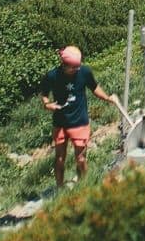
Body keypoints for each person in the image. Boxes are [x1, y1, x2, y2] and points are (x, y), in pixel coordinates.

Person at [40, 45, 116, 190]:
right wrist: (47, 104)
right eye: (73, 67)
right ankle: (60, 188)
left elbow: (94, 87)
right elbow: (44, 94)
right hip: (60, 123)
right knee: (60, 159)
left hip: (79, 122)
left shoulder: (85, 72)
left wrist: (107, 98)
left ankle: (85, 185)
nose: (77, 69)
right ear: (64, 65)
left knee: (80, 159)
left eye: (78, 66)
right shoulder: (52, 76)